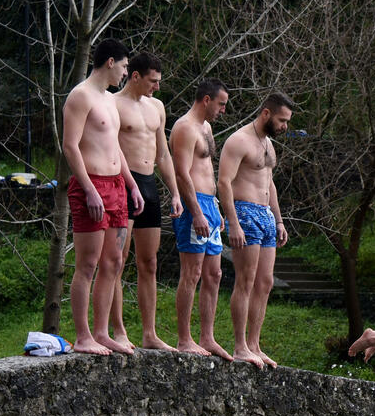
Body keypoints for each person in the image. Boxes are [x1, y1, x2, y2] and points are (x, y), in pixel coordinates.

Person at [62, 38, 144, 355]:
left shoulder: (109, 100)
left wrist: (132, 185)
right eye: (124, 66)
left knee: (113, 262)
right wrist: (89, 189)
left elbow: (115, 147)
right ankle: (83, 336)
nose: (125, 73)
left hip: (116, 187)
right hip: (91, 186)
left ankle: (101, 332)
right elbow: (70, 146)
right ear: (110, 62)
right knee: (88, 263)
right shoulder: (80, 96)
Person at [110, 52, 183, 351]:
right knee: (116, 260)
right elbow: (109, 150)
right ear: (135, 76)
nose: (157, 87)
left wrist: (175, 192)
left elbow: (163, 153)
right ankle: (118, 330)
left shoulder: (157, 107)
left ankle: (149, 333)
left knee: (149, 262)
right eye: (153, 81)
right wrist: (127, 185)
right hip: (123, 184)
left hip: (149, 184)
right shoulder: (113, 104)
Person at [217, 93, 293, 368]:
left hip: (266, 215)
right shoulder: (238, 141)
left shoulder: (269, 144)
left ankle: (255, 344)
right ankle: (240, 346)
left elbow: (269, 183)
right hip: (245, 212)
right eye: (282, 120)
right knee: (245, 281)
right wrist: (233, 221)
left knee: (265, 282)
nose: (285, 126)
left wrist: (280, 220)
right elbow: (224, 182)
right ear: (266, 114)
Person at [168, 78, 232, 360]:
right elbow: (182, 174)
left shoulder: (206, 128)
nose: (223, 111)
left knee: (214, 274)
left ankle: (207, 337)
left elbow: (207, 170)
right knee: (191, 273)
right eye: (221, 104)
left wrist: (216, 209)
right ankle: (185, 339)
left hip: (210, 204)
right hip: (193, 205)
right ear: (206, 99)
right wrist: (195, 212)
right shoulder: (184, 128)